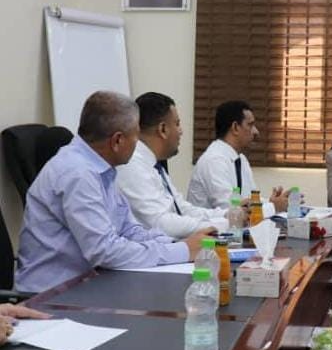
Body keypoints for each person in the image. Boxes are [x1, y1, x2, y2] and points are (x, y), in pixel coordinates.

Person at [15, 91, 208, 293]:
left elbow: (129, 230)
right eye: (136, 136)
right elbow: (105, 251)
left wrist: (180, 243)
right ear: (117, 141)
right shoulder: (77, 174)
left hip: (89, 286)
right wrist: (183, 251)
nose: (138, 144)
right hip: (51, 296)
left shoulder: (101, 168)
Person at [117, 93, 228, 238]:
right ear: (163, 129)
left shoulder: (154, 165)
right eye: (177, 124)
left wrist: (226, 215)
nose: (181, 131)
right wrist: (222, 225)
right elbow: (160, 224)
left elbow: (181, 209)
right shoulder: (132, 165)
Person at [188, 100, 289, 214]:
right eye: (250, 125)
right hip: (212, 225)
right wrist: (273, 207)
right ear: (235, 127)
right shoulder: (214, 161)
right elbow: (232, 210)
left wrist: (272, 202)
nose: (256, 131)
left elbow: (250, 200)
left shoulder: (240, 159)